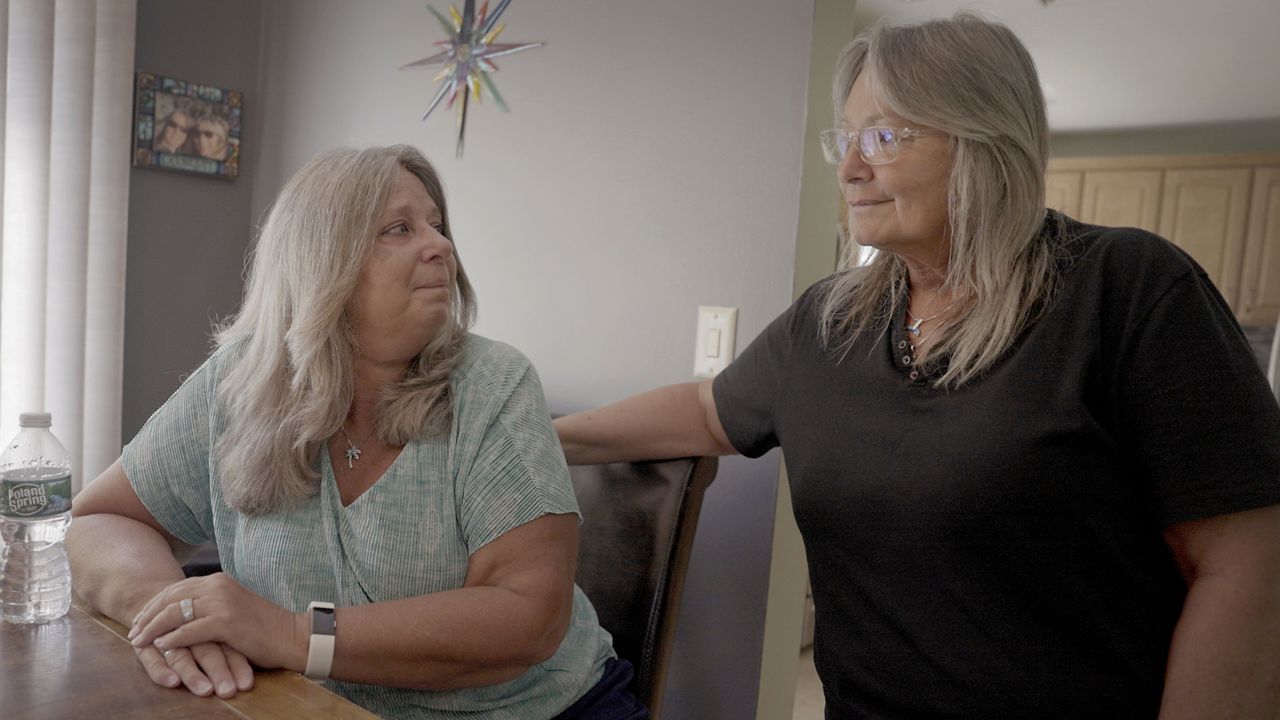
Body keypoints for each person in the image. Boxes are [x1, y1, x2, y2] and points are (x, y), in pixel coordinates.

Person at [554, 14, 1280, 719]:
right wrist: (540, 435)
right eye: (846, 137)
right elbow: (708, 409)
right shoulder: (829, 319)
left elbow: (1248, 565)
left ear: (984, 143)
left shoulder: (1126, 286)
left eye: (885, 136)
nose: (851, 167)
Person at [68, 145, 647, 720]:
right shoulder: (240, 380)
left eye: (438, 226)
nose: (441, 245)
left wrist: (292, 635)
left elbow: (529, 619)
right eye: (399, 228)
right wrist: (170, 615)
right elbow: (101, 519)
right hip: (303, 705)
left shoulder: (494, 385)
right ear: (322, 260)